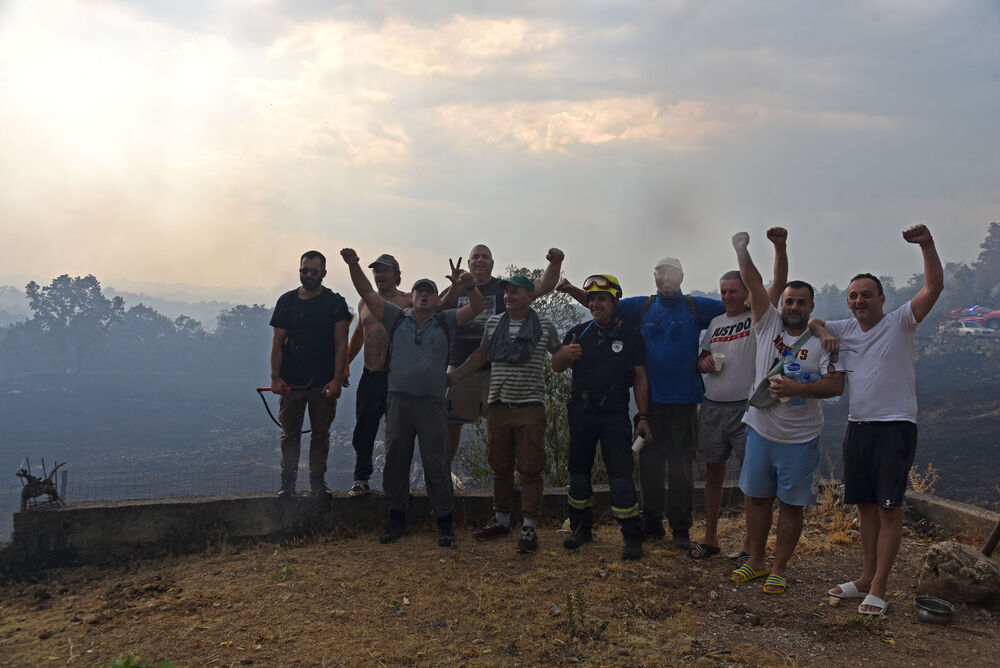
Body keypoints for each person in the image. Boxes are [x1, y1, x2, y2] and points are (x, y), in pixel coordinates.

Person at [810, 224, 943, 616]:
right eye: (853, 296)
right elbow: (814, 323)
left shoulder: (900, 322)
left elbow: (932, 288)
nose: (859, 300)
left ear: (882, 298)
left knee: (888, 509)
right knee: (865, 506)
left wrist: (928, 245)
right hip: (859, 426)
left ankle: (881, 587)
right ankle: (866, 577)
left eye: (866, 294)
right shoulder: (844, 328)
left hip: (895, 426)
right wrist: (823, 331)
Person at [559, 257, 725, 549]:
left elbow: (736, 308)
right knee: (649, 469)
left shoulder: (696, 306)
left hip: (685, 402)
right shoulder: (643, 306)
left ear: (682, 276)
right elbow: (601, 303)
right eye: (661, 275)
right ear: (655, 277)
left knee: (681, 469)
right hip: (650, 404)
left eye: (672, 275)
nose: (666, 280)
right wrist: (571, 288)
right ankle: (652, 524)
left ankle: (681, 530)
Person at [342, 248, 483, 547]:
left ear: (435, 300)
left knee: (435, 461)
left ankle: (445, 523)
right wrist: (354, 265)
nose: (422, 295)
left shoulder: (445, 321)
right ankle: (396, 519)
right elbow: (366, 291)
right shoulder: (395, 318)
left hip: (431, 403)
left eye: (428, 292)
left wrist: (468, 287)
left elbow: (477, 307)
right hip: (398, 401)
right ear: (413, 297)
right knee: (396, 460)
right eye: (419, 291)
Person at [729, 231, 844, 595]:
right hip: (760, 430)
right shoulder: (766, 323)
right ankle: (756, 561)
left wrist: (798, 390)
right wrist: (743, 250)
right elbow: (755, 282)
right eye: (790, 301)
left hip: (800, 438)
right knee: (757, 499)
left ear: (811, 307)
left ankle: (780, 567)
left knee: (792, 506)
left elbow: (836, 386)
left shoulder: (823, 341)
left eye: (801, 303)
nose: (793, 307)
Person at [690, 228, 788, 560]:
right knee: (713, 475)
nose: (728, 297)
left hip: (747, 409)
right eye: (723, 292)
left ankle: (750, 546)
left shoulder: (759, 316)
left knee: (752, 479)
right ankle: (711, 537)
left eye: (734, 291)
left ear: (746, 292)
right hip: (713, 407)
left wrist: (774, 248)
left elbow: (778, 279)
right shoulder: (715, 323)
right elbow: (703, 356)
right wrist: (703, 362)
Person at [449, 275, 562, 553]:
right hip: (498, 406)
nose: (508, 296)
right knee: (499, 466)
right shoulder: (493, 323)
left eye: (515, 292)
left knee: (531, 468)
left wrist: (568, 355)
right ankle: (501, 519)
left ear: (529, 296)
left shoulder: (545, 326)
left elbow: (558, 357)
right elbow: (481, 355)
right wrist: (455, 377)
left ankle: (528, 527)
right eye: (507, 292)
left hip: (530, 407)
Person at [551, 274, 650, 560]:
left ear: (615, 301)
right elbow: (556, 365)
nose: (595, 304)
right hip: (581, 413)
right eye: (592, 299)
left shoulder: (631, 335)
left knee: (620, 476)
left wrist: (642, 416)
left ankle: (632, 535)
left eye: (602, 299)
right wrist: (566, 354)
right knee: (578, 474)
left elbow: (641, 378)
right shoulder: (579, 332)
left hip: (615, 415)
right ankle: (581, 529)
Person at [439, 245, 564, 462]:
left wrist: (555, 263)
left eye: (485, 257)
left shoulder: (504, 289)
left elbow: (543, 285)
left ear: (492, 263)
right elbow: (436, 311)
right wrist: (453, 287)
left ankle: (505, 475)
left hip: (496, 369)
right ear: (468, 263)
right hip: (458, 365)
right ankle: (442, 476)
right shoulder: (454, 289)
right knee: (450, 423)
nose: (480, 260)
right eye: (475, 257)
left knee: (500, 424)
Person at [269, 250, 350, 498]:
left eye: (314, 271)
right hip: (292, 382)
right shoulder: (287, 301)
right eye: (305, 270)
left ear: (324, 273)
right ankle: (288, 485)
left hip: (323, 383)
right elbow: (277, 342)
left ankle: (317, 483)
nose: (309, 275)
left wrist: (337, 379)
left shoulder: (335, 303)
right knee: (289, 436)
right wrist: (275, 377)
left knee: (321, 435)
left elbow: (341, 344)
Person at [342, 254, 412, 497]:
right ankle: (361, 478)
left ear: (396, 275)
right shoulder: (365, 304)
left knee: (398, 432)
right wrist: (344, 366)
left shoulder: (409, 302)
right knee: (364, 429)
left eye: (385, 271)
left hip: (398, 377)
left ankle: (398, 482)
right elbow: (358, 337)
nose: (380, 275)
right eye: (377, 271)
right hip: (371, 375)